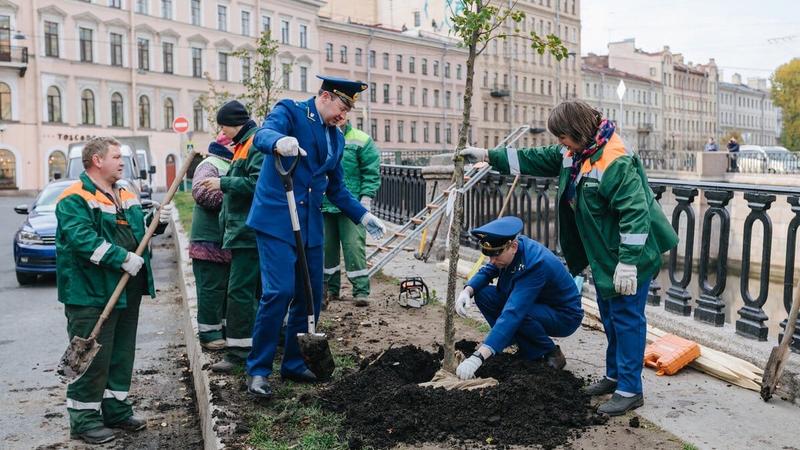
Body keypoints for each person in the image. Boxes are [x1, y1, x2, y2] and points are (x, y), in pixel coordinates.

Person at [459, 100, 678, 416]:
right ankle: (614, 377)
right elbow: (532, 158)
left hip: (630, 256)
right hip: (605, 255)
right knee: (611, 319)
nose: (560, 144)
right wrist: (486, 156)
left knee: (627, 321)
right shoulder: (576, 153)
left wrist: (628, 262)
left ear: (577, 131)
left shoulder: (615, 160)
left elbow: (635, 212)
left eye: (562, 137)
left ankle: (630, 390)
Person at [244, 75, 387, 398]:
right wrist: (278, 142)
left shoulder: (336, 140)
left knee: (310, 296)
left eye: (349, 110)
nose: (344, 116)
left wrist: (362, 215)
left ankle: (294, 364)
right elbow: (262, 135)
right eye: (342, 106)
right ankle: (258, 370)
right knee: (279, 292)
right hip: (277, 220)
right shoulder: (292, 112)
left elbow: (335, 188)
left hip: (309, 226)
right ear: (325, 96)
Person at [56, 137, 171, 444]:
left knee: (120, 355)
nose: (122, 162)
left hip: (126, 291)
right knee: (91, 357)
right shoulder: (74, 198)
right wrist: (122, 258)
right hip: (91, 292)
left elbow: (135, 231)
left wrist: (155, 223)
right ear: (97, 160)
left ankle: (116, 410)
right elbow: (83, 241)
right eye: (116, 156)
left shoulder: (125, 192)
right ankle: (83, 420)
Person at [454, 216, 584, 380]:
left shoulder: (535, 264)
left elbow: (514, 312)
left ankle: (551, 352)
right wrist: (467, 291)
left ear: (513, 247)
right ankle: (522, 343)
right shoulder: (512, 247)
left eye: (496, 256)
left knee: (519, 315)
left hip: (563, 315)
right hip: (537, 305)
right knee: (483, 294)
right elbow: (488, 270)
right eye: (490, 255)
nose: (492, 261)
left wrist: (478, 357)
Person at [196, 100, 263, 372]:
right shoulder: (244, 145)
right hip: (243, 230)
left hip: (248, 232)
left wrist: (223, 183)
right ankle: (247, 347)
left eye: (222, 124)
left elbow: (258, 184)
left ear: (230, 123)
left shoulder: (253, 144)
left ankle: (239, 354)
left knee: (240, 292)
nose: (221, 130)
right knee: (245, 291)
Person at [322, 121, 381, 307]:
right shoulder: (320, 135)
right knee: (325, 250)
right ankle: (330, 290)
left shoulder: (361, 140)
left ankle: (361, 290)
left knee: (354, 247)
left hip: (351, 205)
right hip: (323, 204)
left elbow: (371, 171)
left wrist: (366, 198)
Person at [190, 139, 234, 350]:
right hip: (208, 239)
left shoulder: (235, 163)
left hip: (226, 239)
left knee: (226, 289)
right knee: (211, 289)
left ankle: (223, 328)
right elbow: (202, 193)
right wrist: (236, 196)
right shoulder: (210, 164)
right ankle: (209, 334)